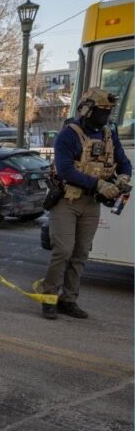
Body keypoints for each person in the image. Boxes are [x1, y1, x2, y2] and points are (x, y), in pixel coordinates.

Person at [36, 87, 132, 319]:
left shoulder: (109, 133)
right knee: (64, 251)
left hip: (91, 204)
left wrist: (123, 179)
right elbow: (66, 169)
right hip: (67, 201)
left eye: (109, 111)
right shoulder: (68, 135)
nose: (105, 116)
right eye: (101, 111)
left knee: (80, 253)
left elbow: (123, 162)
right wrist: (99, 184)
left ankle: (68, 300)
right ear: (87, 110)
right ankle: (49, 299)